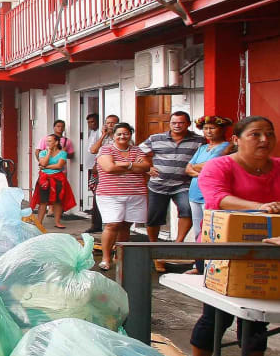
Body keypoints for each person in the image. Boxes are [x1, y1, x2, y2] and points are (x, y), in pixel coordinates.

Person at [190, 115, 280, 356]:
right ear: (237, 140)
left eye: (269, 133)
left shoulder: (278, 168)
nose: (264, 140)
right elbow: (217, 197)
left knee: (256, 316)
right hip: (220, 250)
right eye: (256, 134)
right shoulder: (219, 166)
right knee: (216, 314)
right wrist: (259, 206)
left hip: (267, 251)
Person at [139, 110, 205, 272]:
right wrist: (148, 167)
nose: (177, 125)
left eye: (181, 122)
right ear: (170, 124)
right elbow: (139, 153)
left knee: (187, 210)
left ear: (188, 124)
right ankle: (155, 250)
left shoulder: (199, 141)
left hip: (182, 184)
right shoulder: (156, 138)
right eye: (174, 122)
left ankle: (178, 244)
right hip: (157, 185)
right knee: (153, 218)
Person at [94, 123, 151, 270]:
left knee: (126, 224)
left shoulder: (136, 149)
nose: (122, 136)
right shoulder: (105, 149)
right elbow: (109, 168)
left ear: (130, 134)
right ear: (113, 135)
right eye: (119, 134)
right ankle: (106, 258)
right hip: (110, 194)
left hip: (136, 193)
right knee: (112, 224)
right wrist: (133, 166)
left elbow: (146, 167)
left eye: (126, 133)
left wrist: (124, 164)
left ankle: (119, 256)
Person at [186, 115, 234, 252]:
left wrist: (199, 169)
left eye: (212, 128)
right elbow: (188, 168)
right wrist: (201, 172)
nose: (208, 131)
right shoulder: (203, 148)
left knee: (211, 230)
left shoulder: (226, 147)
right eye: (206, 128)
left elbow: (210, 166)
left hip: (210, 195)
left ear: (222, 130)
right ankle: (198, 262)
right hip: (194, 194)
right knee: (197, 229)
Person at [30, 133, 77, 228]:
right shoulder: (43, 152)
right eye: (47, 141)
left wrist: (45, 167)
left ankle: (57, 222)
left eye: (50, 141)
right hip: (44, 179)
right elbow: (42, 162)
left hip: (58, 178)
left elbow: (59, 166)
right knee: (43, 201)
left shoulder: (63, 153)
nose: (47, 143)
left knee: (58, 201)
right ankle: (39, 222)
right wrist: (49, 153)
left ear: (56, 142)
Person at [84, 113, 103, 232]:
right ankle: (96, 222)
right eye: (89, 122)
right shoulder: (92, 133)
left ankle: (97, 223)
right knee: (94, 192)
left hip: (101, 169)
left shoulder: (101, 134)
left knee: (98, 196)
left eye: (93, 122)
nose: (91, 124)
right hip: (92, 168)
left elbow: (95, 150)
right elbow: (92, 150)